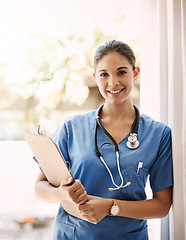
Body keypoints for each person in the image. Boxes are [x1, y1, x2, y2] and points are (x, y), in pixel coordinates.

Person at [34, 40, 173, 240]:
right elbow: (40, 188)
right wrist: (63, 194)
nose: (113, 82)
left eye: (122, 72)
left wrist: (110, 207)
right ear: (95, 78)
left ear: (135, 73)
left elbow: (161, 206)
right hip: (73, 234)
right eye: (104, 74)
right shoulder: (72, 127)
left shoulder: (158, 134)